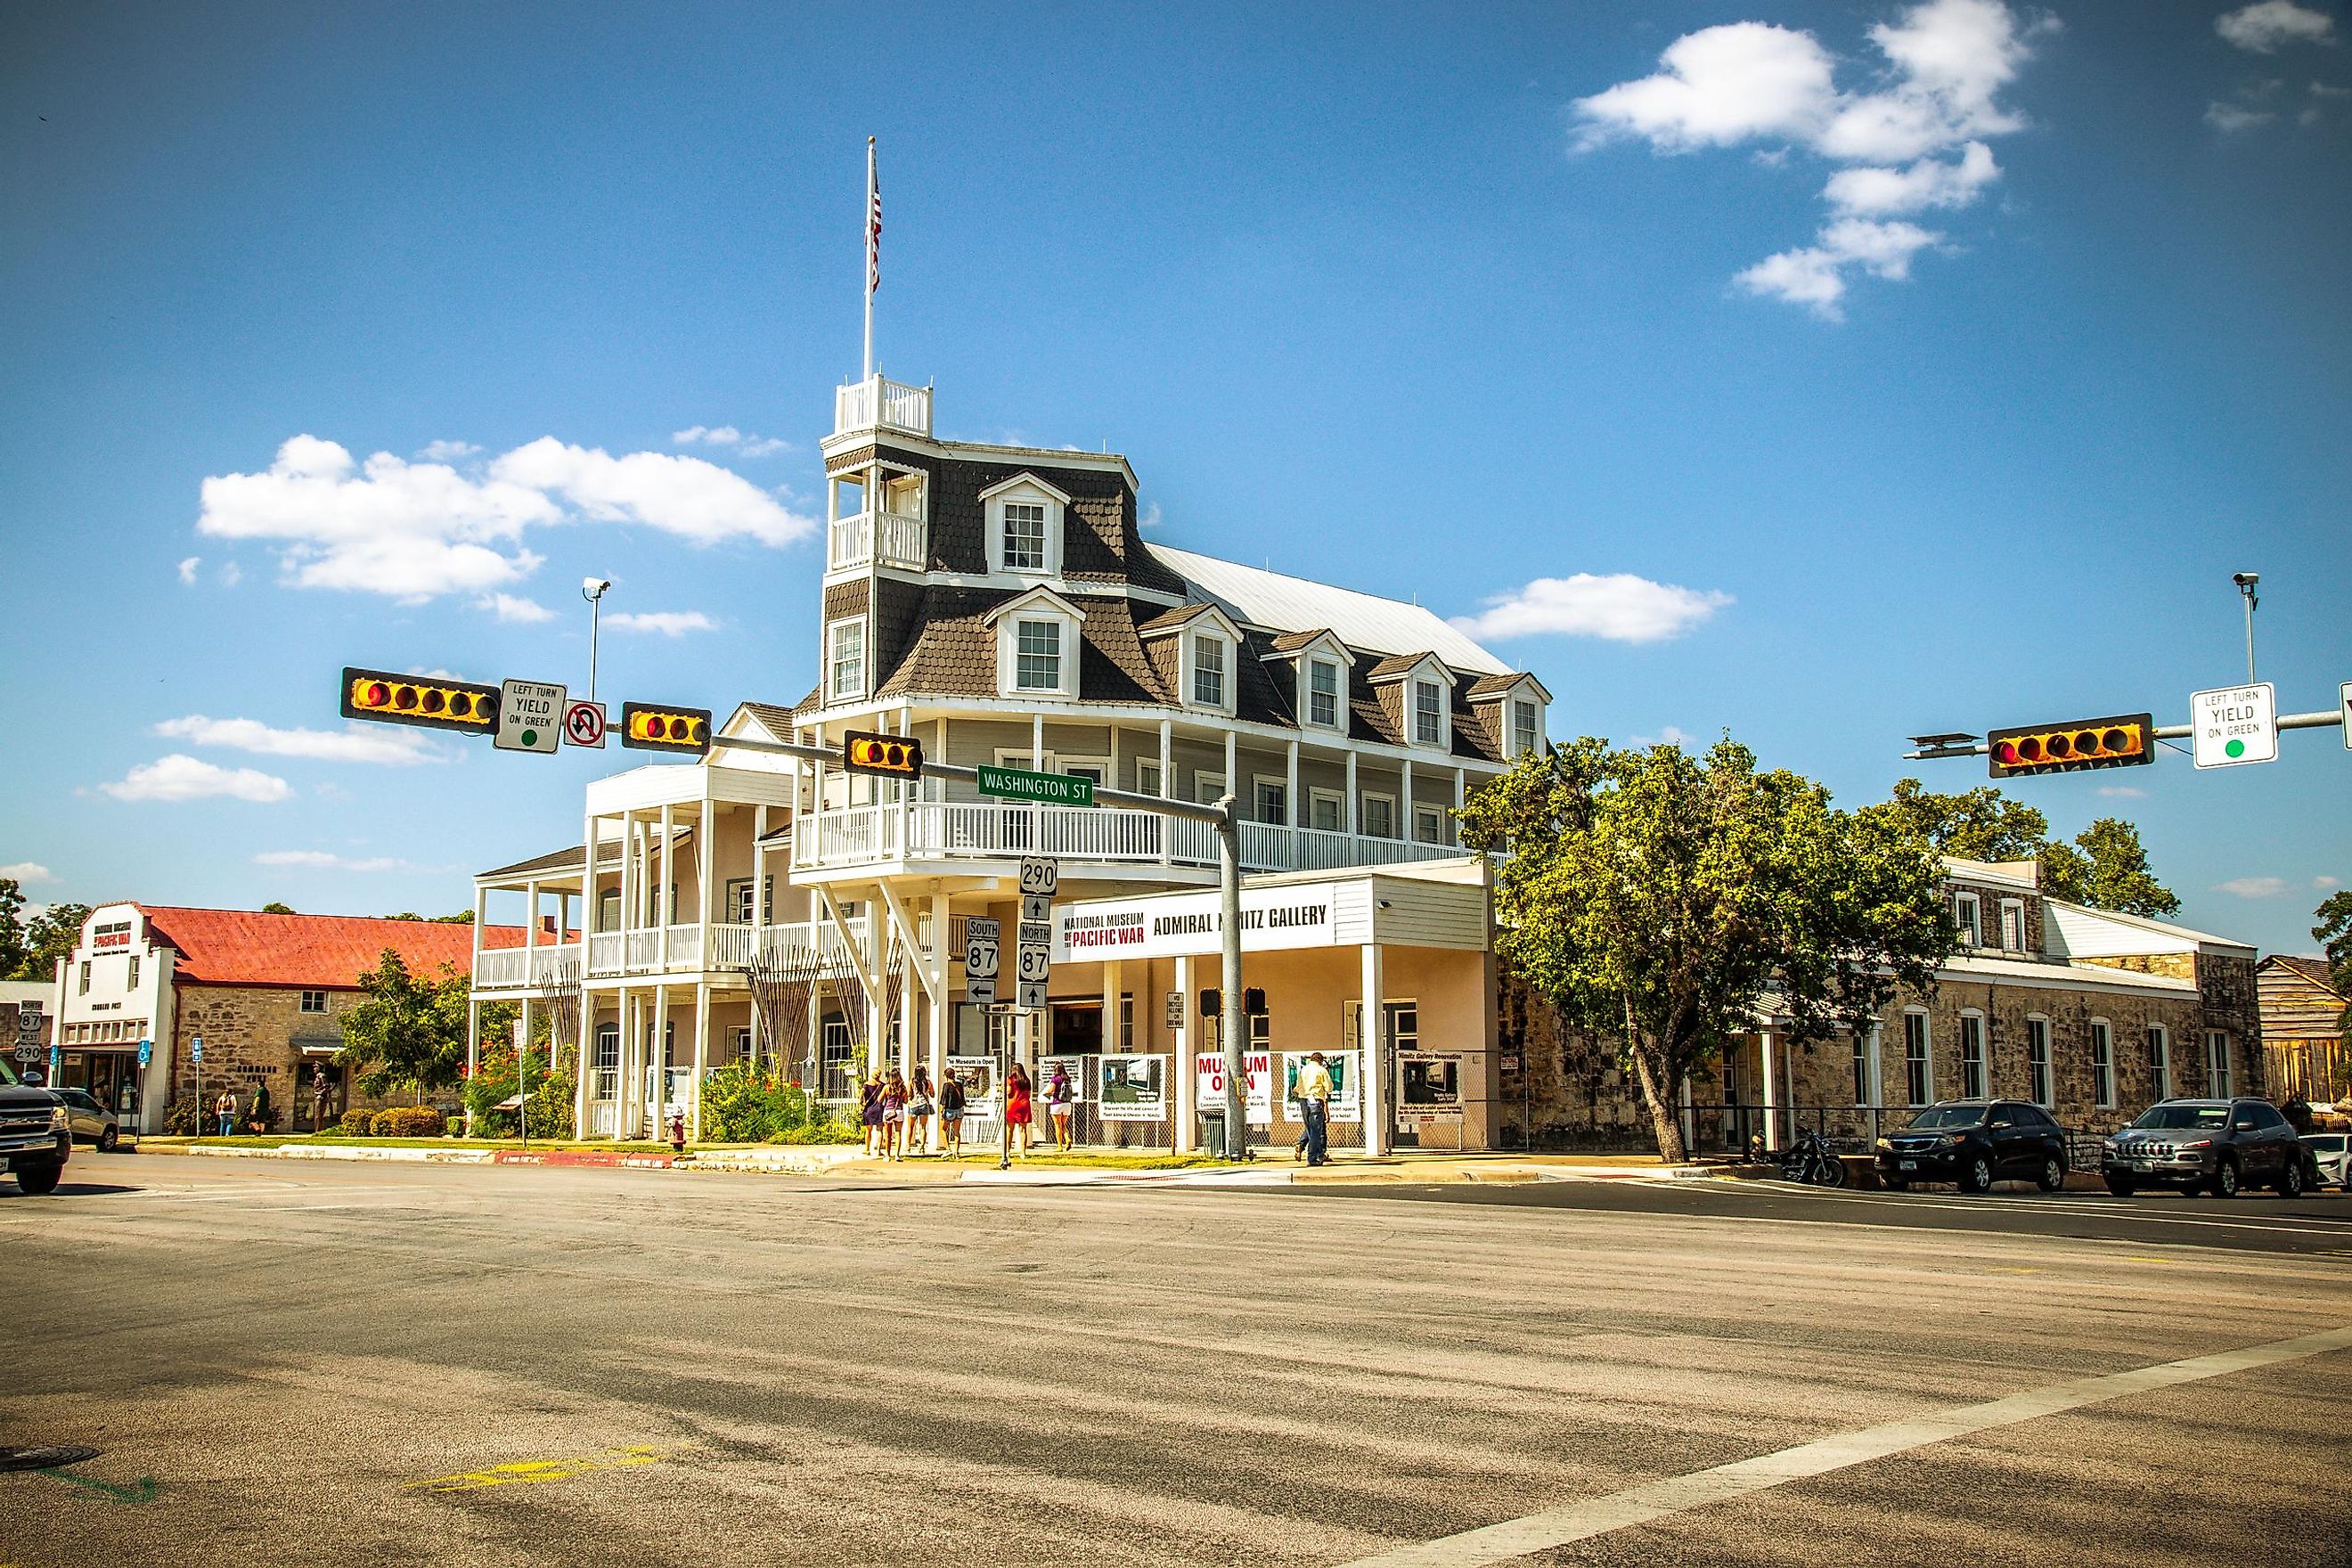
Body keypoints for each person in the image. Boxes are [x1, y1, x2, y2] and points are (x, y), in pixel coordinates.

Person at [1293, 1051, 1334, 1167]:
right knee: (1316, 1130)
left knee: (1309, 1128)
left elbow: (1298, 1087)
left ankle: (1315, 1151)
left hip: (1303, 1100)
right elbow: (1329, 1088)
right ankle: (1313, 1157)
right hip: (1315, 1100)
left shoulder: (1303, 1070)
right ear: (1320, 1060)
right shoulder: (1321, 1070)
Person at [1004, 1063, 1034, 1156]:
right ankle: (1023, 1153)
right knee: (1023, 1130)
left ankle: (1008, 1151)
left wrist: (1003, 1088)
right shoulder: (1027, 1080)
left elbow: (1008, 1092)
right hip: (1024, 1105)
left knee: (1009, 1129)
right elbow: (1029, 1095)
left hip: (1013, 1105)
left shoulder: (1010, 1080)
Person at [1046, 1063, 1076, 1154]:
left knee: (1057, 1125)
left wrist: (1046, 1093)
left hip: (1057, 1104)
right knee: (1063, 1124)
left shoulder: (1055, 1079)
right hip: (1067, 1104)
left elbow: (1051, 1089)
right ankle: (1067, 1139)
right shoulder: (1067, 1079)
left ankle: (1059, 1145)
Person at [937, 1068, 967, 1158]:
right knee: (957, 1131)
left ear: (945, 1076)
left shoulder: (946, 1085)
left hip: (950, 1110)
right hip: (959, 1109)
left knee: (942, 1129)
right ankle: (956, 1152)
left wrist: (941, 1111)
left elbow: (944, 1099)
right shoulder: (959, 1085)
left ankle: (948, 1148)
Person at [881, 1070, 910, 1160]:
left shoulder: (887, 1087)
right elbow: (905, 1101)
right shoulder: (903, 1088)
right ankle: (897, 1155)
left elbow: (879, 1099)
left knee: (888, 1134)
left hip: (888, 1111)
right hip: (899, 1111)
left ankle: (887, 1155)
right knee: (898, 1133)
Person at [908, 1066, 935, 1156]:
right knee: (923, 1127)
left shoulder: (912, 1082)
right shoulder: (927, 1082)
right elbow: (932, 1094)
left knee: (911, 1127)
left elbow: (908, 1093)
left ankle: (908, 1145)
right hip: (924, 1105)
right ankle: (922, 1147)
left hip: (913, 1105)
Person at [858, 1076, 885, 1156]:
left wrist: (861, 1102)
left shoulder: (866, 1085)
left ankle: (867, 1149)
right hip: (879, 1109)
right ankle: (879, 1150)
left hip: (869, 1109)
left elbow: (862, 1092)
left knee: (868, 1131)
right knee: (879, 1130)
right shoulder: (882, 1085)